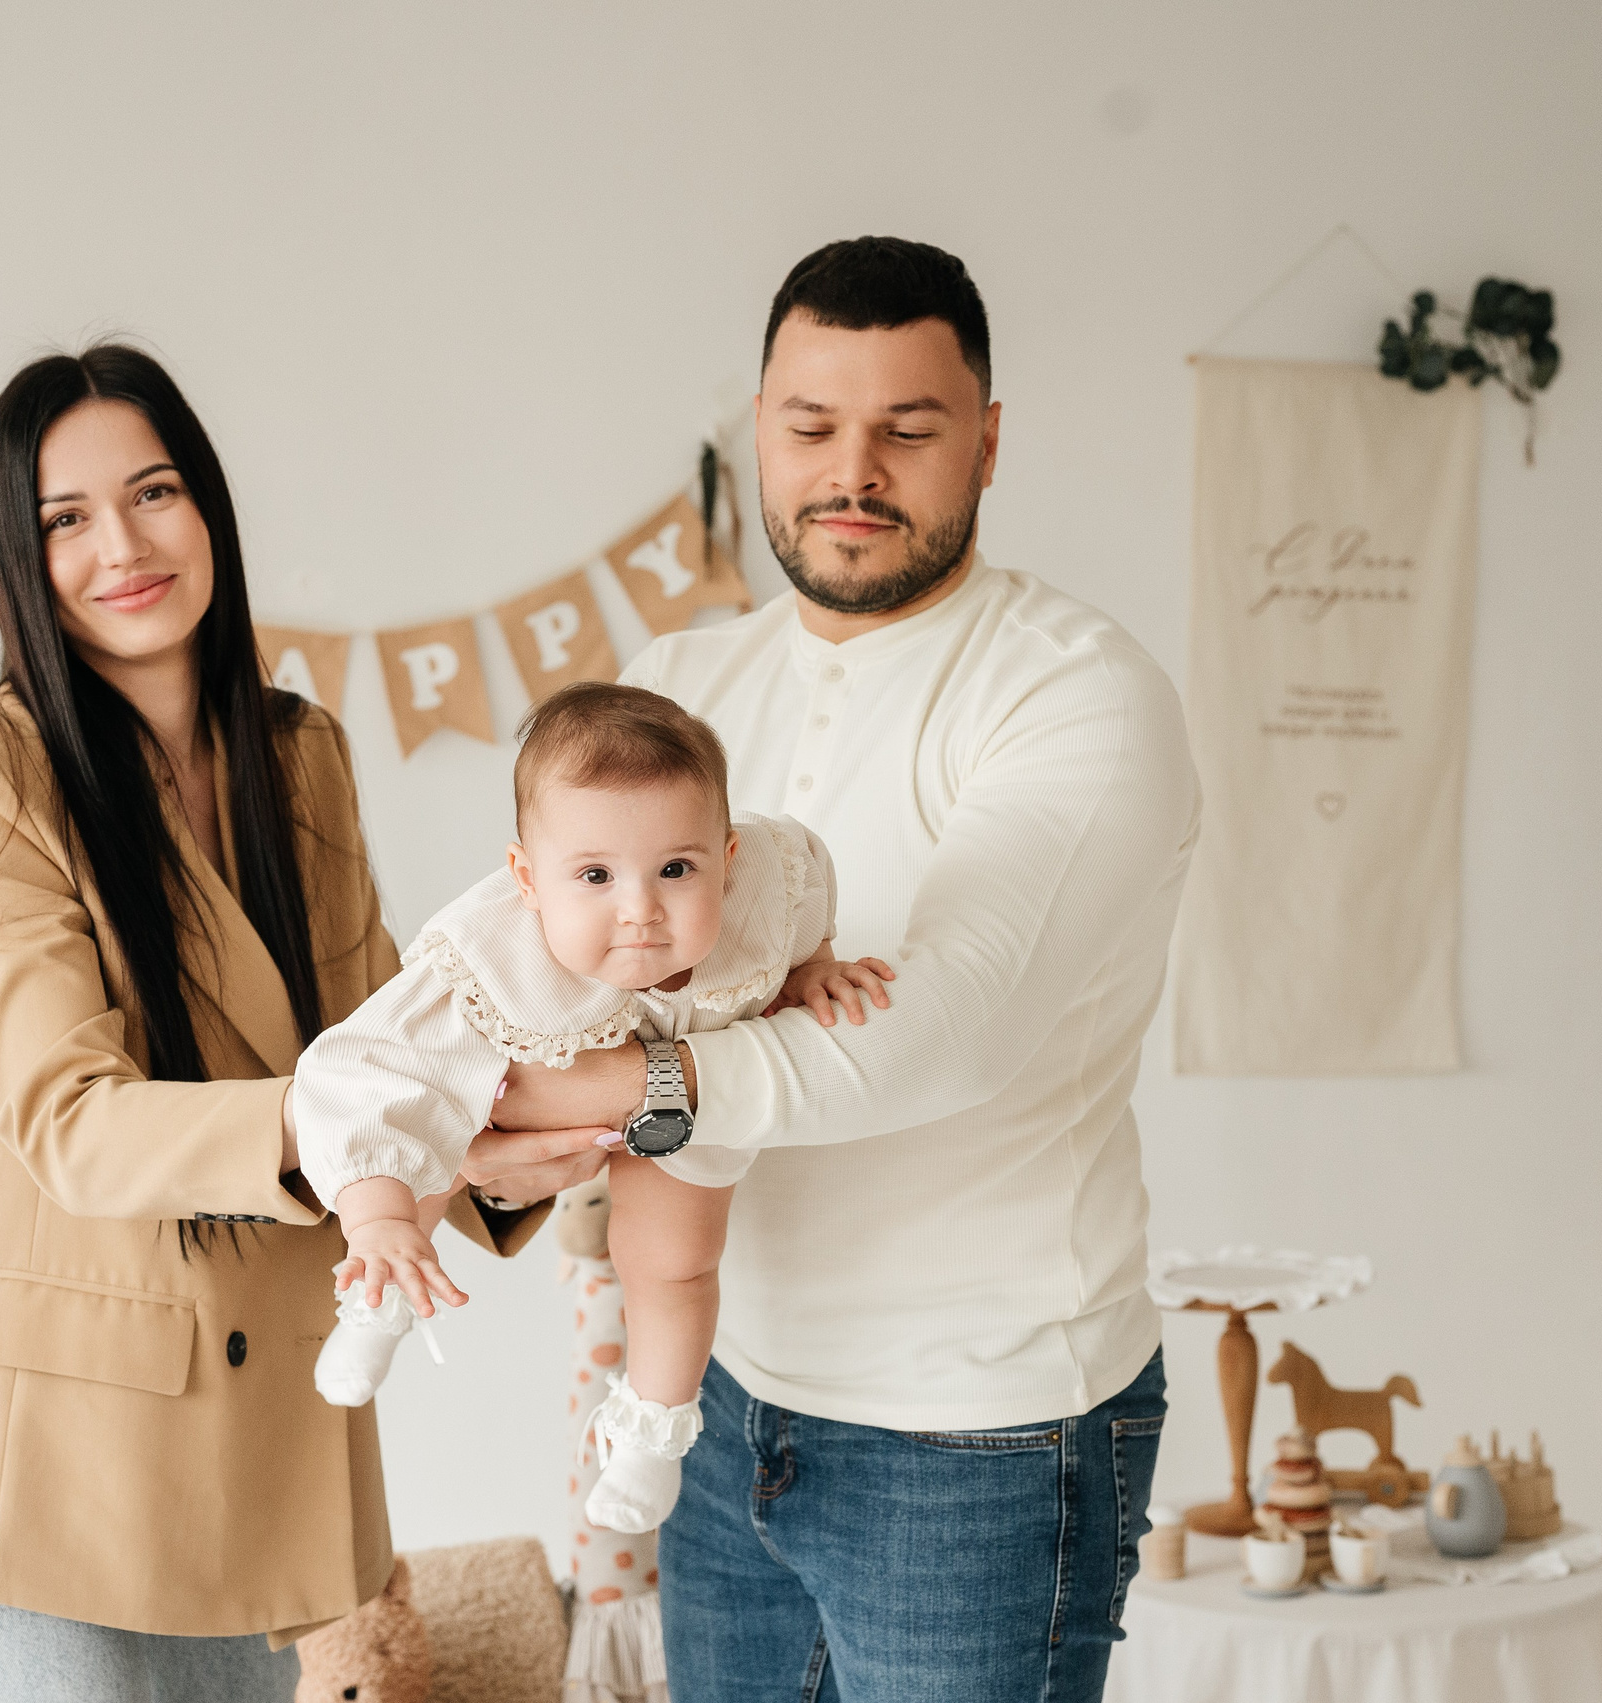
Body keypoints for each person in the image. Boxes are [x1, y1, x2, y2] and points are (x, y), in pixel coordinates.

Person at [0, 343, 610, 1703]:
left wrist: (542, 1123)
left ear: (208, 507)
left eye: (154, 492)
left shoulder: (298, 754)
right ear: (20, 556)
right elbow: (69, 1119)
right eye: (66, 519)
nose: (122, 546)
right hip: (31, 1463)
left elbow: (391, 1043)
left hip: (247, 1454)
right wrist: (370, 1118)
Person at [494, 238, 1201, 1699]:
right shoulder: (678, 688)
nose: (852, 472)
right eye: (812, 425)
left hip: (980, 1429)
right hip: (721, 1391)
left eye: (907, 429)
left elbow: (937, 1032)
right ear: (759, 428)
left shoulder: (1079, 691)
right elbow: (545, 960)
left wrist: (580, 1086)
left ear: (987, 443)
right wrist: (465, 1114)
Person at [288, 682, 893, 1534]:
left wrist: (815, 965)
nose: (640, 909)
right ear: (528, 879)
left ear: (726, 857)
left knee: (676, 1261)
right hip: (532, 1075)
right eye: (596, 876)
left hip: (685, 1093)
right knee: (434, 1119)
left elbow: (807, 888)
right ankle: (380, 1287)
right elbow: (364, 1075)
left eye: (676, 869)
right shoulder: (489, 958)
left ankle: (653, 1429)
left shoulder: (768, 880)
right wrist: (377, 1216)